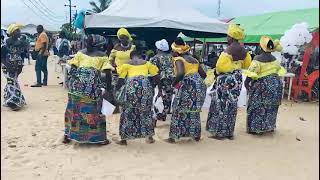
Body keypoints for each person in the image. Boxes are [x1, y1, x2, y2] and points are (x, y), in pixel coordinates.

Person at [63, 34, 114, 145]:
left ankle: (67, 135)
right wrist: (109, 90)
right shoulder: (102, 56)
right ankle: (99, 139)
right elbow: (108, 73)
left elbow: (72, 68)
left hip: (75, 86)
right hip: (91, 88)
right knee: (93, 111)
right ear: (99, 45)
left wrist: (74, 82)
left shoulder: (80, 53)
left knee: (73, 110)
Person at [206, 24, 252, 140]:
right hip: (237, 79)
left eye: (227, 36)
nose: (227, 38)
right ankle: (229, 133)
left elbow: (220, 67)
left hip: (226, 79)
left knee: (221, 105)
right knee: (232, 105)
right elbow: (247, 65)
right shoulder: (244, 51)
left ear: (231, 37)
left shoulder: (228, 50)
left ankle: (219, 133)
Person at [166, 37, 207, 143]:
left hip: (188, 85)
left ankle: (173, 137)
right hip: (199, 85)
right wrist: (196, 83)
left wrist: (173, 83)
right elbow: (204, 74)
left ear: (176, 51)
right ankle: (196, 135)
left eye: (173, 51)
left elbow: (180, 73)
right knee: (194, 110)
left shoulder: (179, 60)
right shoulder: (194, 59)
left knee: (178, 109)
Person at [115, 50, 159, 145]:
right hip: (145, 86)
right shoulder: (147, 63)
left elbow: (121, 80)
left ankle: (124, 140)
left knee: (127, 111)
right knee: (146, 111)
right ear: (140, 56)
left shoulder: (126, 64)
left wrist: (117, 90)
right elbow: (156, 77)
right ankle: (150, 138)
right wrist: (155, 87)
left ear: (131, 57)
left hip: (131, 87)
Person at [243, 36, 285, 135]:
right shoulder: (274, 59)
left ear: (261, 47)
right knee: (271, 107)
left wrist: (246, 83)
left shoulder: (257, 59)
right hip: (275, 86)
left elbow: (251, 73)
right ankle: (269, 127)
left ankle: (255, 128)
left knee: (256, 106)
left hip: (262, 86)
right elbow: (279, 70)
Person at [109, 28, 136, 113]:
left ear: (127, 37)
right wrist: (113, 66)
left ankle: (126, 108)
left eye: (124, 37)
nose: (122, 39)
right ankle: (116, 107)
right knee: (116, 90)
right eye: (120, 37)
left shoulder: (133, 47)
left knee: (128, 91)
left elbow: (135, 59)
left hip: (129, 73)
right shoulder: (116, 48)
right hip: (117, 73)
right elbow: (110, 60)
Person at [1, 24, 26, 111]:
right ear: (12, 32)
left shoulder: (20, 43)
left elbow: (21, 55)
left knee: (12, 81)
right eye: (17, 30)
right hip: (7, 66)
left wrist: (20, 67)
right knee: (12, 82)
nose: (19, 32)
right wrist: (8, 66)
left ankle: (8, 99)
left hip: (16, 67)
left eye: (19, 30)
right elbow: (2, 56)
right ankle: (13, 102)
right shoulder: (6, 42)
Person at [150, 39, 174, 123]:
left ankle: (156, 118)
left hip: (159, 81)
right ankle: (164, 114)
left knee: (156, 99)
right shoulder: (171, 57)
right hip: (171, 80)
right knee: (167, 98)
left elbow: (152, 73)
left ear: (158, 49)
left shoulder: (154, 58)